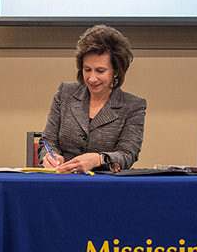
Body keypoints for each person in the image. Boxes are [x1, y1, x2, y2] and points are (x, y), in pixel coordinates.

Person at [39, 25, 146, 172]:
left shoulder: (133, 106)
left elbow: (128, 154)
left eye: (100, 71)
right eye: (87, 70)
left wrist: (99, 159)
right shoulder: (65, 93)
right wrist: (50, 156)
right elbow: (48, 141)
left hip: (104, 184)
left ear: (116, 71)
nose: (92, 78)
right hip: (62, 179)